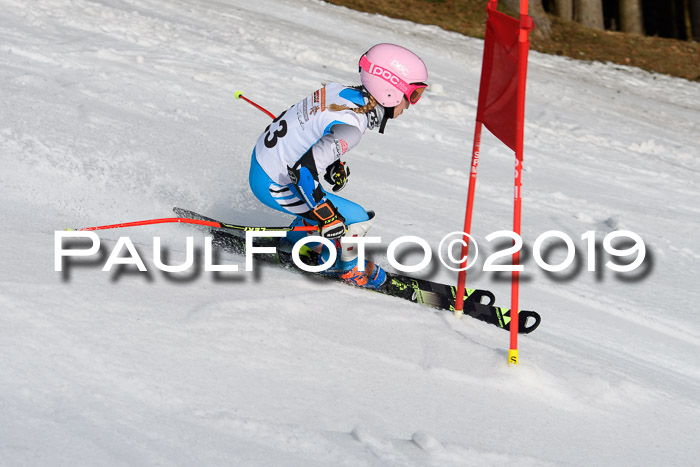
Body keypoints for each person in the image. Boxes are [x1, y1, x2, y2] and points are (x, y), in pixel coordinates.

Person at [248, 43, 428, 289]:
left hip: (263, 162)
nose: (409, 105)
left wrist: (333, 160)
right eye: (413, 95)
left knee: (325, 203)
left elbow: (311, 131)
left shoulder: (339, 92)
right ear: (390, 91)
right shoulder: (351, 127)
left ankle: (296, 240)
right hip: (272, 183)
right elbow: (303, 174)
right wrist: (328, 217)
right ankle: (347, 269)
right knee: (357, 218)